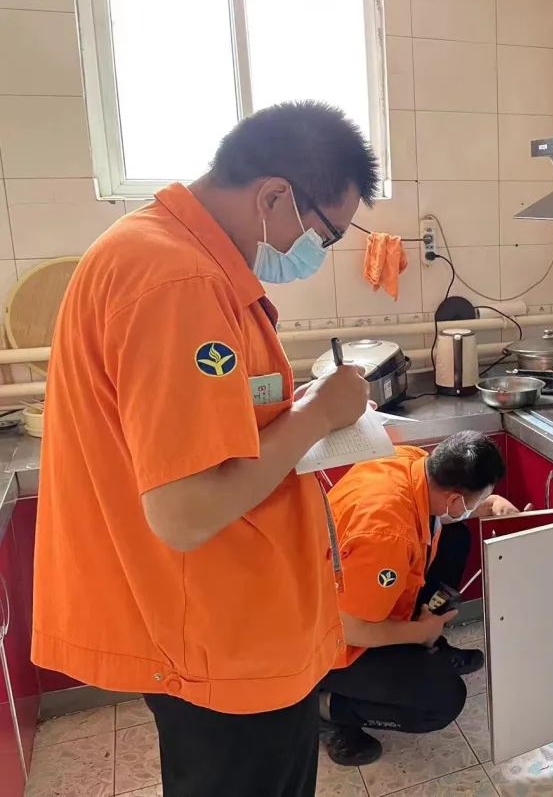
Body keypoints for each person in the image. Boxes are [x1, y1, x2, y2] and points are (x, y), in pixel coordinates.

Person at [34, 101, 378, 797]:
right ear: (274, 196)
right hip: (221, 637)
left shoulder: (168, 255)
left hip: (223, 625)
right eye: (326, 234)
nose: (318, 252)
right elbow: (186, 512)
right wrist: (320, 414)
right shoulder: (177, 283)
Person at [320, 431, 525, 765]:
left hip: (358, 596)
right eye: (475, 501)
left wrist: (491, 505)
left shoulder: (411, 462)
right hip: (326, 644)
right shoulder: (386, 534)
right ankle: (325, 709)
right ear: (455, 498)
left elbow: (440, 514)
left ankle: (423, 650)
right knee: (442, 701)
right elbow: (351, 630)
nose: (475, 507)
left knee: (455, 537)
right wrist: (420, 632)